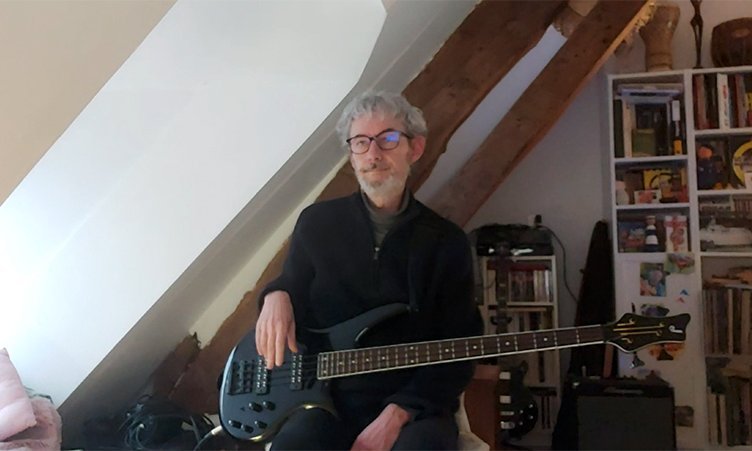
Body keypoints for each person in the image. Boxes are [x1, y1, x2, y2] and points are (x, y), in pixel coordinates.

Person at [254, 91, 482, 450]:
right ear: (352, 154)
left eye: (388, 139)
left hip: (412, 406)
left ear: (415, 148)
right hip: (325, 402)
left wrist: (398, 413)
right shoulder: (316, 223)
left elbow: (459, 350)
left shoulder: (447, 242)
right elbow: (293, 284)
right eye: (361, 142)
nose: (373, 154)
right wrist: (276, 294)